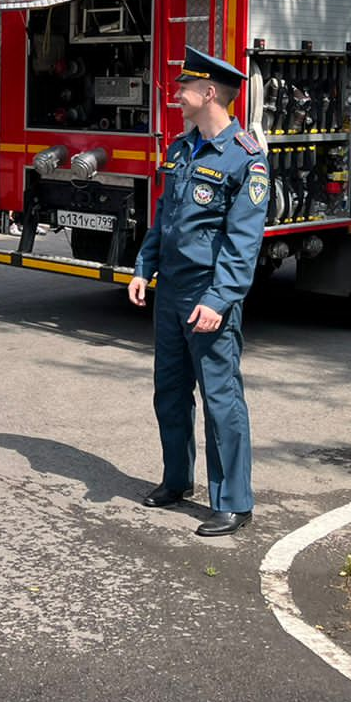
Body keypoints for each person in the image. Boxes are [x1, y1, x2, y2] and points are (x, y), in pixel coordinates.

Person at [127, 47, 268, 538]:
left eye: (184, 87)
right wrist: (144, 267)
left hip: (208, 295)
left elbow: (243, 241)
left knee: (221, 399)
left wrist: (219, 298)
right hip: (171, 294)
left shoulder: (245, 160)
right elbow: (165, 217)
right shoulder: (181, 149)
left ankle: (233, 501)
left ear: (209, 93)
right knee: (169, 393)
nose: (176, 95)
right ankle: (176, 480)